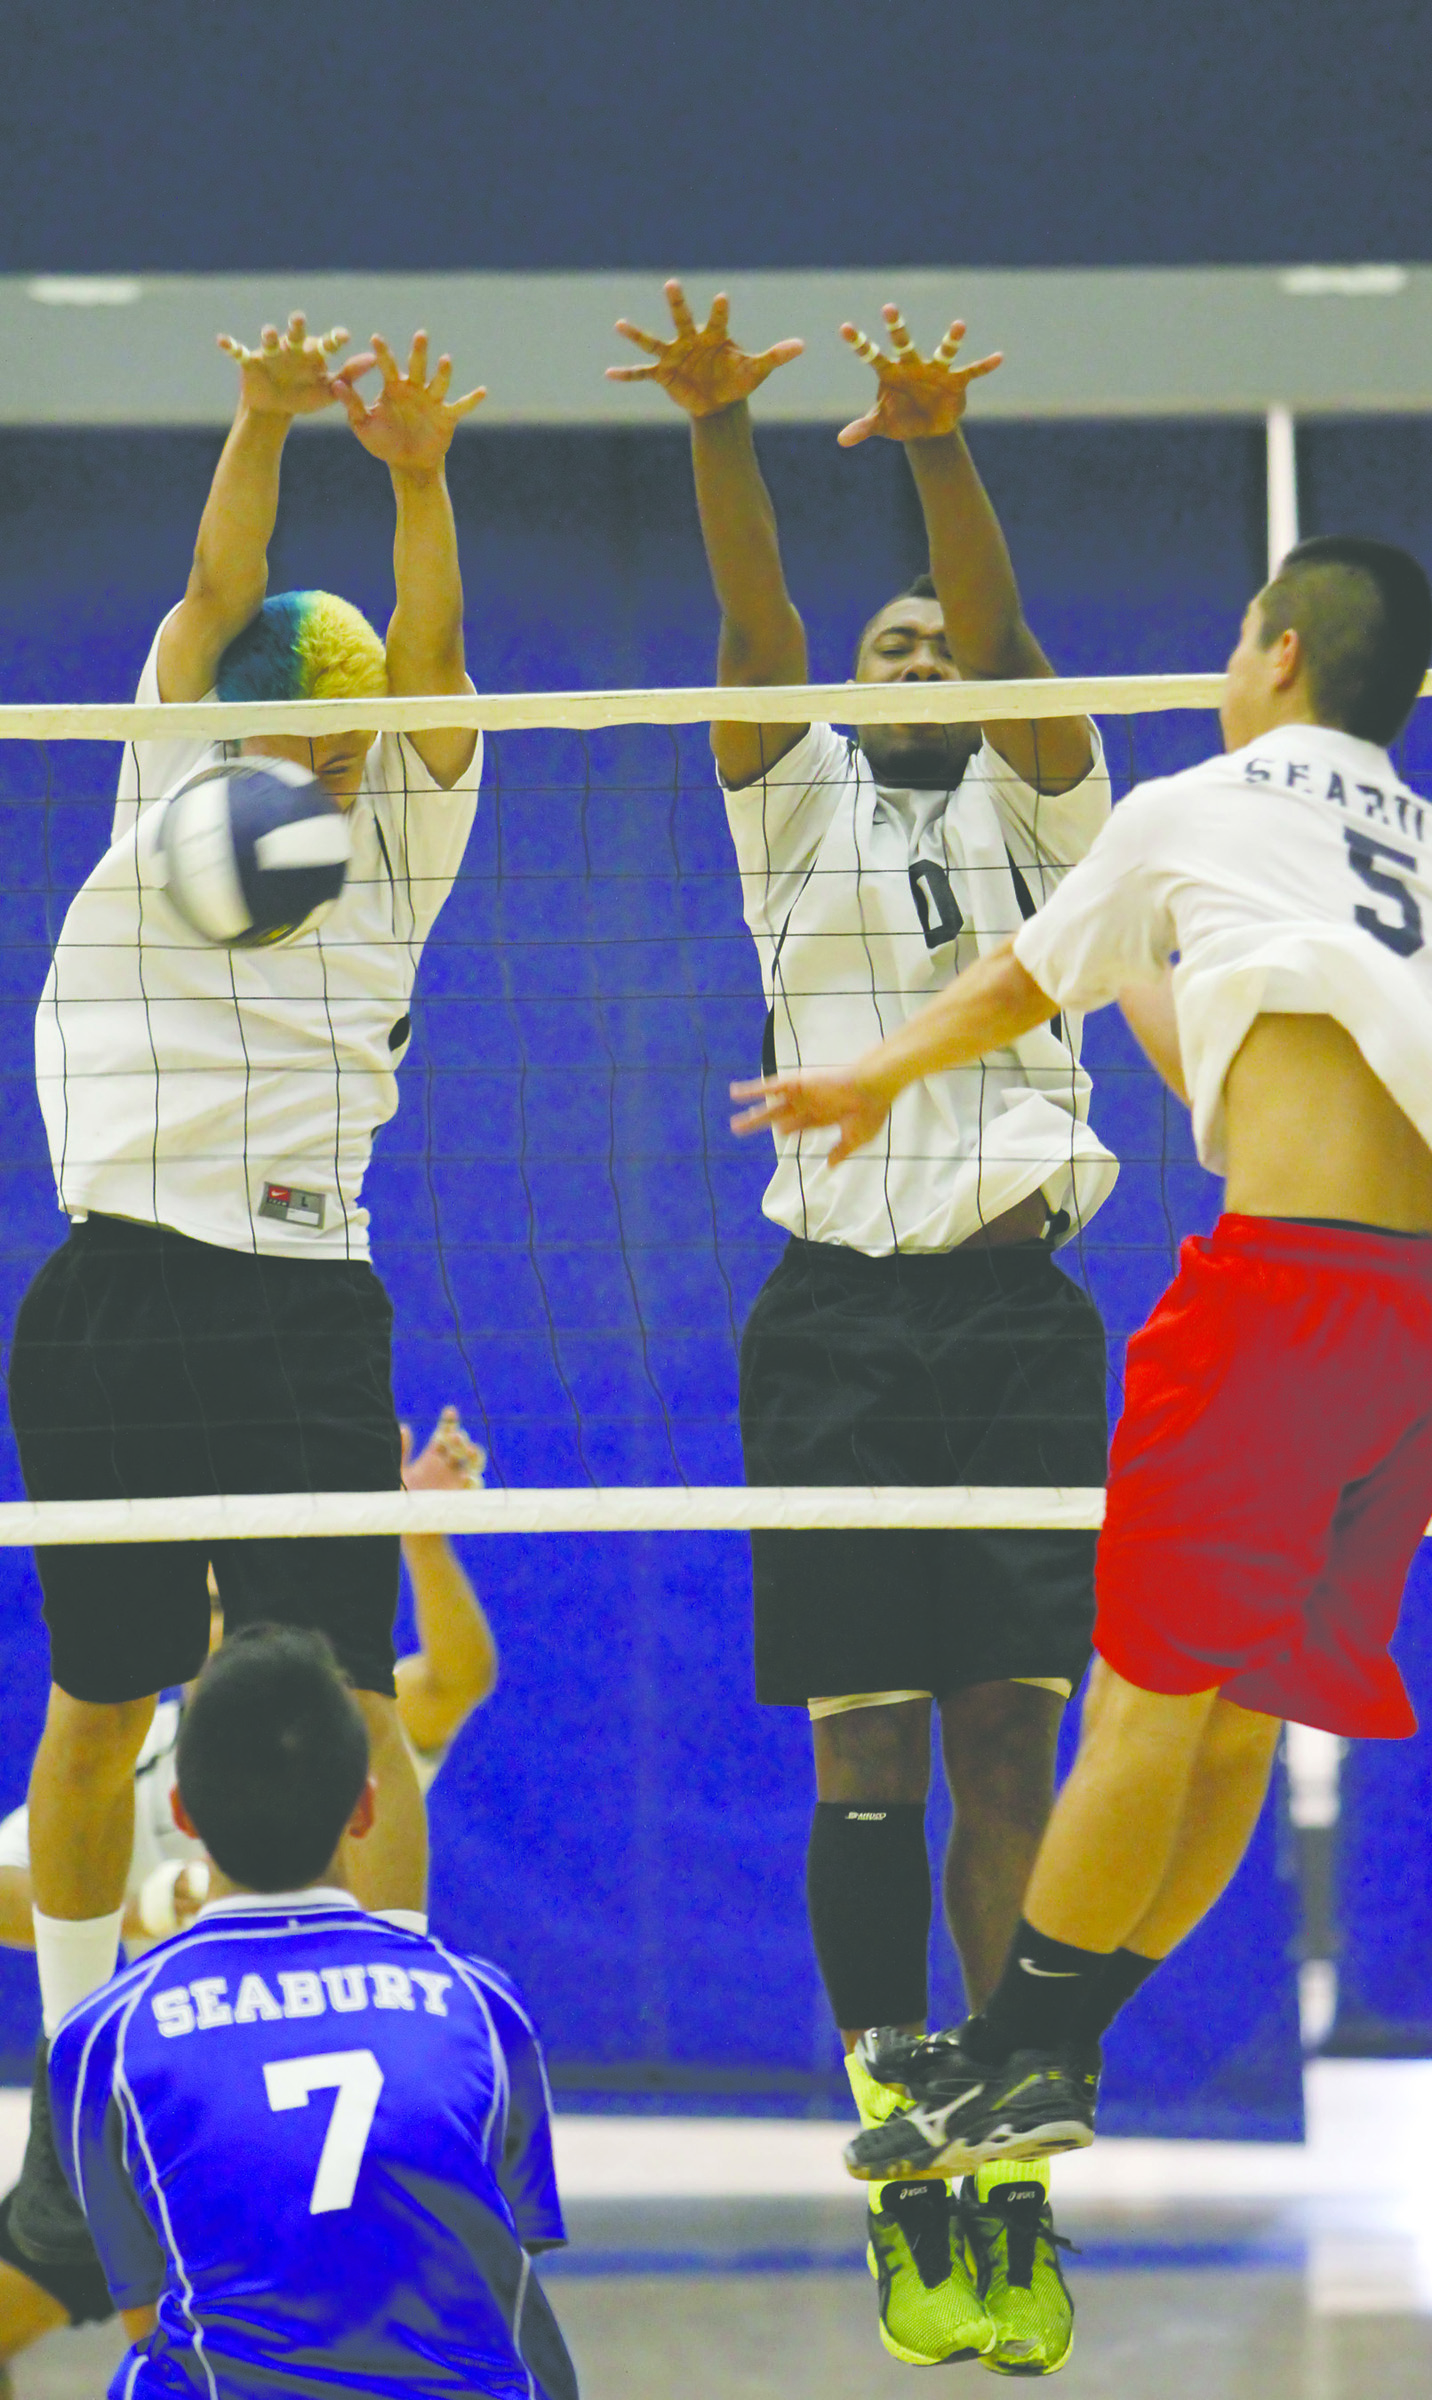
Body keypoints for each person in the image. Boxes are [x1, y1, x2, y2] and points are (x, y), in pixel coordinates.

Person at [732, 536, 1432, 2181]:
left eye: (1239, 633)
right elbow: (1235, 1043)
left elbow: (1021, 979)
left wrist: (872, 1074)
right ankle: (1057, 2049)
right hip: (1429, 1335)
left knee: (1144, 1719)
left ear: (1282, 655)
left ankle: (1012, 2049)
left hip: (1282, 1303)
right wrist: (1150, 990)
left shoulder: (1192, 806)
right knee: (1235, 1728)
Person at [612, 282, 1118, 2372]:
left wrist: (929, 443)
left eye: (934, 646)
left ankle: (1008, 2156)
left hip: (1013, 1315)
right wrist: (724, 431)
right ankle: (897, 2122)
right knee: (867, 1743)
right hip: (828, 1321)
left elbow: (1006, 655)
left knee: (1016, 1726)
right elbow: (752, 637)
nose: (911, 662)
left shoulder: (1046, 808)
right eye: (880, 645)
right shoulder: (790, 790)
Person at [6, 311, 485, 2271]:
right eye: (316, 703)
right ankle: (65, 2111)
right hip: (120, 1275)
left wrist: (419, 476)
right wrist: (262, 419)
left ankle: (401, 2047)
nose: (336, 731)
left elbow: (445, 670)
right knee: (101, 1699)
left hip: (303, 1289)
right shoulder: (165, 772)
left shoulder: (412, 832)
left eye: (355, 715)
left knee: (357, 1703)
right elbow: (214, 589)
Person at [0, 1405, 498, 2386]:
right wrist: (151, 1907)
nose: (235, 1631)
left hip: (265, 2098)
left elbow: (454, 1679)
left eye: (249, 1611)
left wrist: (421, 1538)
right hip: (157, 2092)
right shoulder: (122, 1752)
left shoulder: (329, 1736)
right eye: (218, 1611)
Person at [47, 1621, 576, 2400]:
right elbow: (505, 2258)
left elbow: (146, 2306)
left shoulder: (104, 2039)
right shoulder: (482, 2005)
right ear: (364, 1808)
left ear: (182, 1813)